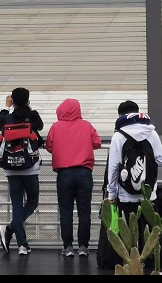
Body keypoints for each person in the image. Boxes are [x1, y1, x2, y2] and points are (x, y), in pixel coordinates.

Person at [105, 101, 162, 275]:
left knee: (128, 235)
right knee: (149, 234)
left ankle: (131, 268)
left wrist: (111, 193)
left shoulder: (118, 136)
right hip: (148, 195)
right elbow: (161, 160)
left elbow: (114, 167)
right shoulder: (151, 133)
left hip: (125, 195)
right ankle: (156, 266)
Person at [45, 97, 102, 257]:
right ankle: (83, 246)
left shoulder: (56, 127)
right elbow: (97, 143)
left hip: (64, 174)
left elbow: (49, 146)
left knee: (65, 211)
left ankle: (68, 246)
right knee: (84, 211)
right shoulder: (86, 125)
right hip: (84, 173)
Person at [0, 86, 45, 256]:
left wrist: (8, 107)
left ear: (13, 101)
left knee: (17, 204)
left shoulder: (7, 117)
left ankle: (20, 243)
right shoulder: (31, 117)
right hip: (30, 167)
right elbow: (40, 125)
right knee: (32, 202)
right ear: (28, 100)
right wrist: (29, 107)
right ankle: (10, 231)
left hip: (10, 167)